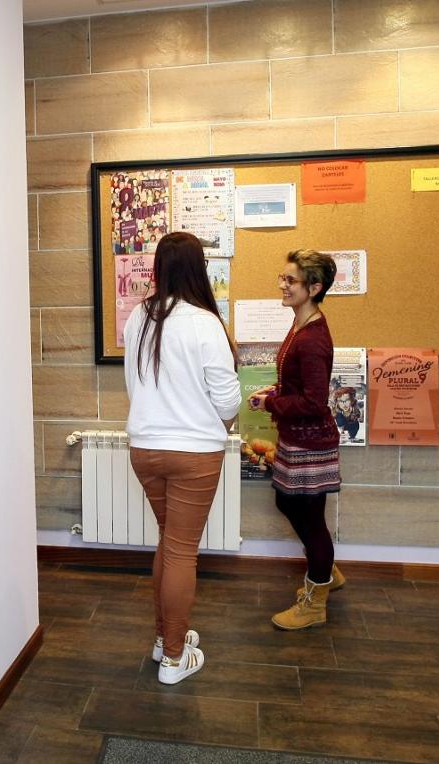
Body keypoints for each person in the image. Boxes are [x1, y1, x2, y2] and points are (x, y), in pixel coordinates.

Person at [124, 231, 240, 685]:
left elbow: (134, 386)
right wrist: (219, 423)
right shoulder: (205, 322)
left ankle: (162, 640)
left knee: (168, 541)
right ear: (198, 269)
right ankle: (174, 658)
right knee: (181, 550)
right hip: (195, 454)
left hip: (145, 448)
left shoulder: (138, 317)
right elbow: (228, 399)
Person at [248, 249, 344, 631]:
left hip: (311, 443)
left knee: (309, 518)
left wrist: (272, 401)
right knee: (289, 504)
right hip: (297, 439)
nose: (283, 286)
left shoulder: (312, 339)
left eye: (291, 281)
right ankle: (325, 569)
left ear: (314, 288)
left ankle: (316, 598)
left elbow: (313, 401)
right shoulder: (301, 326)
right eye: (282, 278)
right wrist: (276, 391)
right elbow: (300, 387)